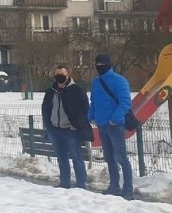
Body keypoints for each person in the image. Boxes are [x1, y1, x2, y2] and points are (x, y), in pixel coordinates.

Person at [89, 54, 134, 200]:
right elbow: (93, 101)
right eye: (97, 63)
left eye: (102, 63)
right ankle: (114, 186)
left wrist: (115, 119)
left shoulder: (119, 80)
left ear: (108, 64)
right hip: (102, 124)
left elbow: (125, 102)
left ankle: (128, 190)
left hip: (115, 125)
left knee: (121, 157)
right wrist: (91, 115)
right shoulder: (96, 82)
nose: (99, 66)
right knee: (109, 157)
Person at [41, 65, 91, 189]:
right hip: (54, 129)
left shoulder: (77, 90)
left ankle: (80, 184)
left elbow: (84, 107)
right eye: (57, 74)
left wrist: (76, 124)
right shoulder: (51, 91)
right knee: (61, 157)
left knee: (76, 157)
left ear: (67, 75)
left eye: (62, 74)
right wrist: (48, 124)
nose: (59, 76)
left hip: (70, 129)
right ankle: (64, 182)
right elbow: (45, 108)